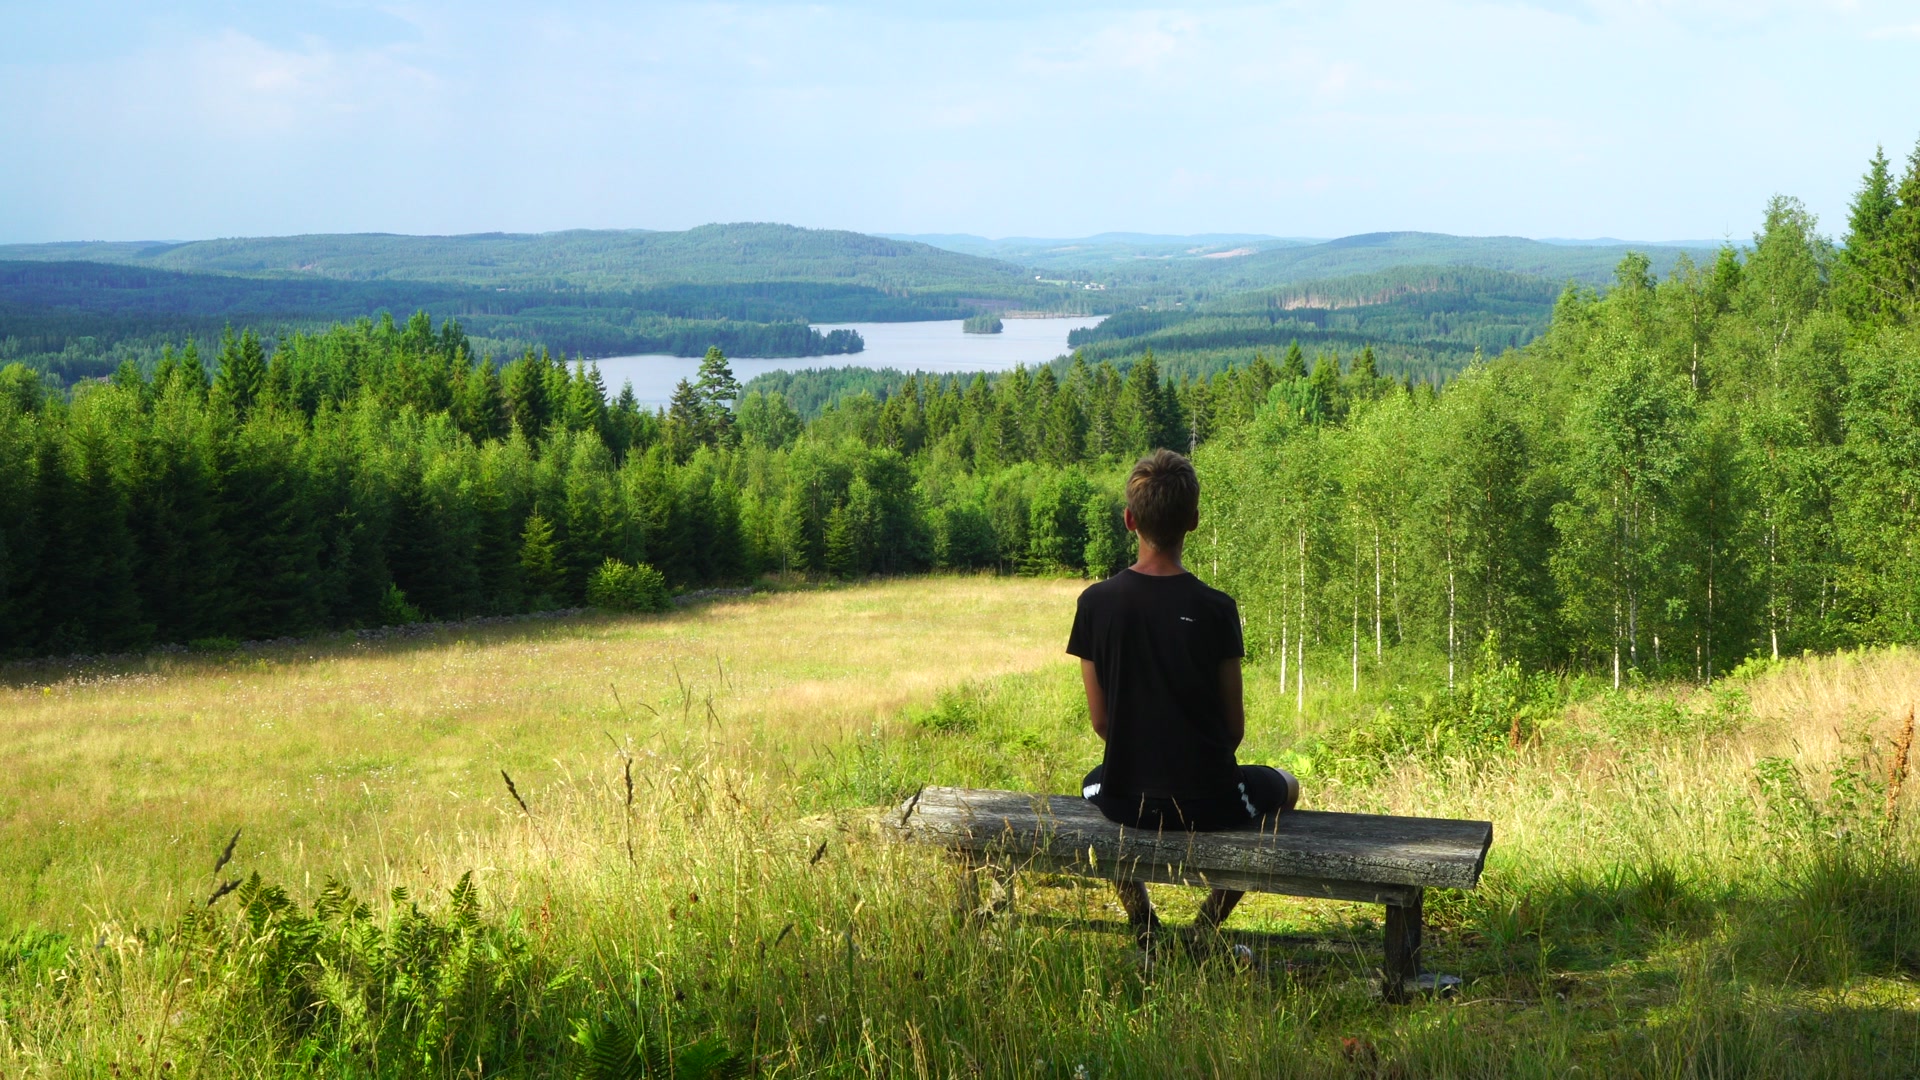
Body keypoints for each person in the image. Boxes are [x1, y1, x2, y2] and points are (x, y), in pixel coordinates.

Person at [1066, 448, 1300, 946]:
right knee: (1288, 784)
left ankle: (1145, 925)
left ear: (1129, 519)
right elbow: (1232, 729)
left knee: (1092, 783)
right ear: (1193, 520)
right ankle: (1203, 930)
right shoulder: (1217, 608)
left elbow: (1102, 723)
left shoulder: (1094, 604)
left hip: (1127, 801)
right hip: (1211, 800)